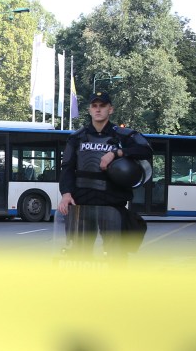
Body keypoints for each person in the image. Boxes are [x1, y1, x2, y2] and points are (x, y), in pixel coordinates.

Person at [57, 91, 153, 261]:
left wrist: (117, 153)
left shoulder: (123, 136)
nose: (98, 109)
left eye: (102, 106)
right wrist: (65, 193)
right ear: (89, 110)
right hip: (82, 204)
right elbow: (66, 168)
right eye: (94, 106)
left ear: (111, 109)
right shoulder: (77, 138)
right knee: (79, 256)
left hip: (112, 205)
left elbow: (146, 150)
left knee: (116, 257)